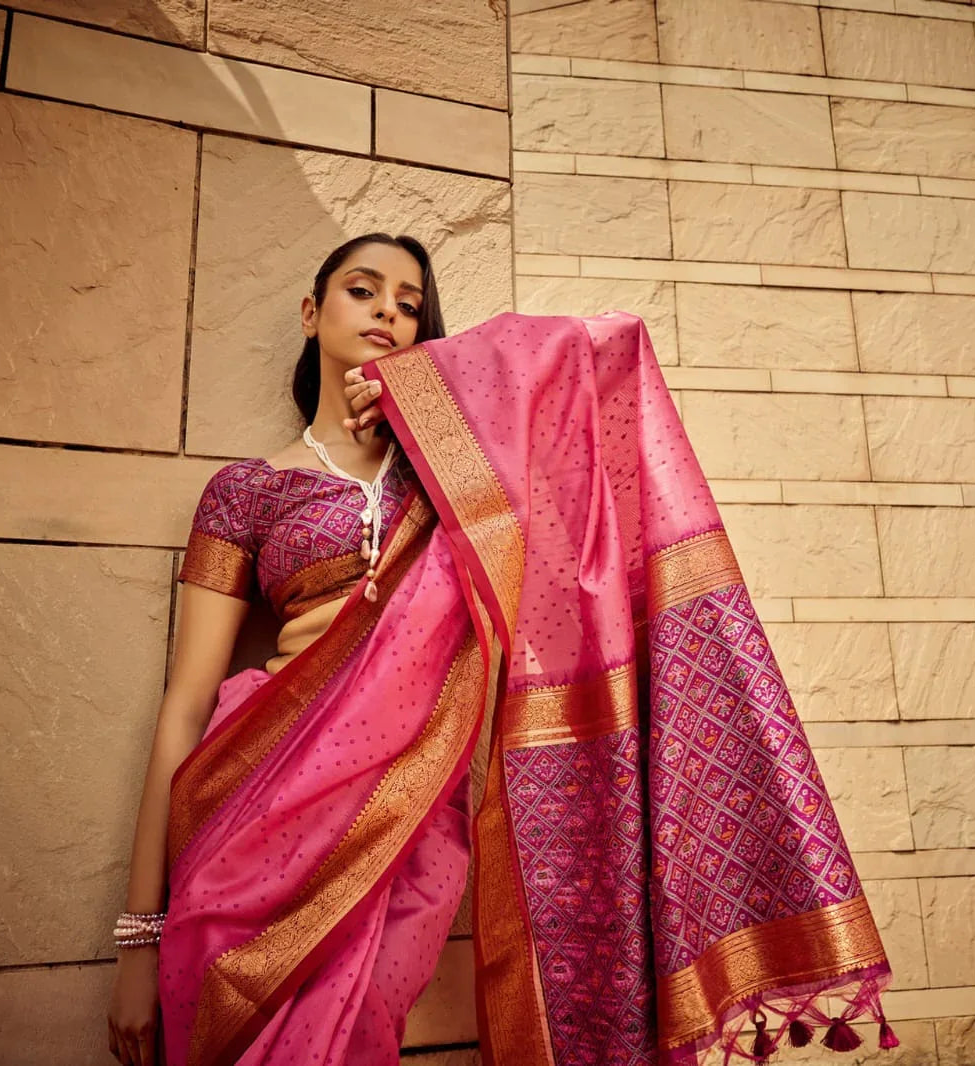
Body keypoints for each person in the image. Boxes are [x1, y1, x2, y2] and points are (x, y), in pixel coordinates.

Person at [106, 232, 895, 1066]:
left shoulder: (459, 477)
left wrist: (431, 394)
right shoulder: (244, 491)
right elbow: (186, 706)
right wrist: (136, 938)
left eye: (409, 306)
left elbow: (604, 347)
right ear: (312, 312)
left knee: (364, 1014)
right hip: (256, 801)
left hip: (415, 808)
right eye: (362, 290)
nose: (386, 312)